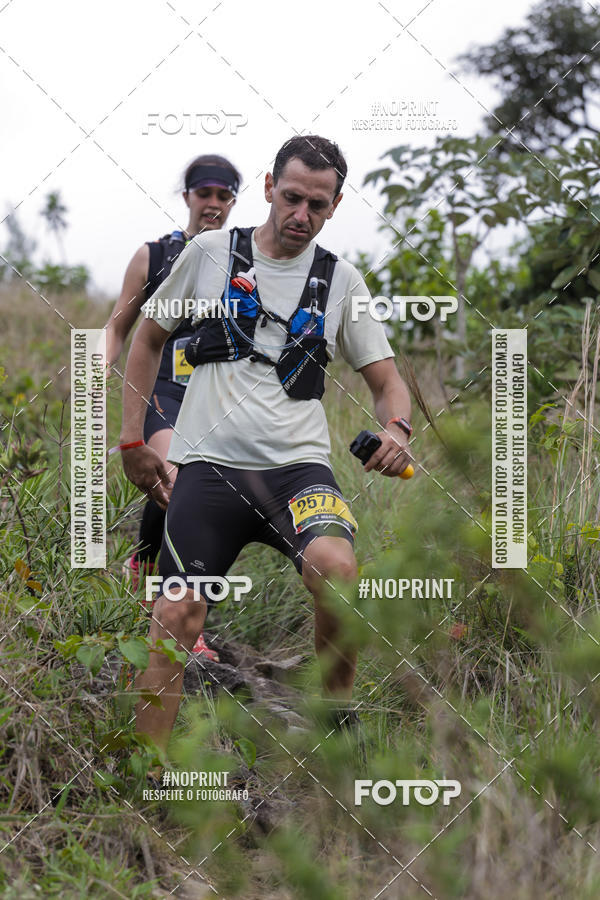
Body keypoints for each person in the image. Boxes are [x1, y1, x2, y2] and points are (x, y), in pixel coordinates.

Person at [119, 135, 413, 754]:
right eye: (292, 197)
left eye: (318, 204)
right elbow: (146, 342)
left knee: (338, 572)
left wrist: (396, 431)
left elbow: (388, 383)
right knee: (175, 616)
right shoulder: (209, 253)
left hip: (297, 473)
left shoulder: (341, 280)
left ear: (334, 207)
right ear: (269, 188)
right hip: (208, 470)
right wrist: (131, 439)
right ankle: (146, 783)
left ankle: (336, 726)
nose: (301, 215)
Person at [106, 153, 241, 660]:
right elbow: (118, 327)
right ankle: (182, 618)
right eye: (204, 193)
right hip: (163, 389)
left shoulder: (240, 258)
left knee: (196, 495)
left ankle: (143, 568)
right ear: (187, 196)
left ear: (233, 202)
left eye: (223, 195)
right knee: (177, 480)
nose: (213, 204)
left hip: (218, 396)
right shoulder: (154, 255)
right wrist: (95, 365)